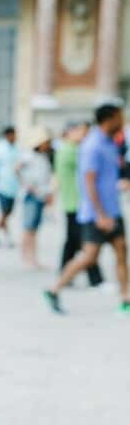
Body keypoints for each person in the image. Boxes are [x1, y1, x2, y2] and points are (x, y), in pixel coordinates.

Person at [45, 104, 129, 316]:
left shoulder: (111, 143)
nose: (123, 121)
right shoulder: (92, 145)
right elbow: (88, 182)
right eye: (120, 117)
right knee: (89, 256)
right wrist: (100, 215)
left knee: (121, 252)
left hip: (113, 210)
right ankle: (54, 289)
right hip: (96, 214)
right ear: (109, 119)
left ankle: (126, 298)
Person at [54, 120, 104, 287]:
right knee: (86, 244)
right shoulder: (72, 151)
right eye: (82, 131)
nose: (85, 135)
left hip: (74, 203)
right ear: (71, 132)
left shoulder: (69, 149)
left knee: (74, 242)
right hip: (76, 203)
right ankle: (94, 279)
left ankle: (66, 275)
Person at [18, 127, 54, 270]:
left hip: (41, 195)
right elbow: (17, 169)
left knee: (34, 229)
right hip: (31, 195)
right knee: (29, 228)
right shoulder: (28, 156)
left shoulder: (44, 157)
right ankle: (26, 257)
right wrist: (27, 185)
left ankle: (33, 258)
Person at [0, 125, 21, 247]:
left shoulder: (17, 148)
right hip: (2, 185)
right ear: (9, 135)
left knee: (8, 212)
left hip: (13, 186)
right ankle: (4, 236)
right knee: (4, 212)